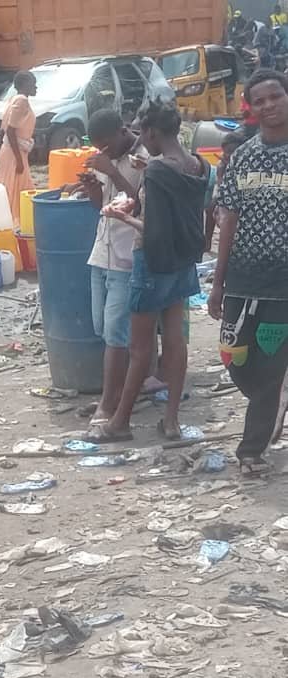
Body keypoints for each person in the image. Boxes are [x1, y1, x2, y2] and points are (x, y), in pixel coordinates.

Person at [90, 99, 210, 443]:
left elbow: (152, 228)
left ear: (153, 132)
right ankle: (171, 421)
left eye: (143, 133)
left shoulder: (156, 171)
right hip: (182, 263)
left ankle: (120, 422)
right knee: (175, 341)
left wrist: (122, 217)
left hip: (152, 262)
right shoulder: (198, 165)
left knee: (140, 349)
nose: (141, 139)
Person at [211, 70, 288, 477]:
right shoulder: (243, 156)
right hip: (242, 278)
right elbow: (228, 220)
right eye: (260, 101)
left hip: (283, 284)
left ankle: (251, 450)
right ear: (251, 109)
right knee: (234, 359)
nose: (269, 105)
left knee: (271, 365)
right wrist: (217, 282)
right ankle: (273, 400)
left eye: (276, 96)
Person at [77, 110, 150, 428]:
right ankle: (118, 392)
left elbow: (142, 203)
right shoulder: (108, 159)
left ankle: (110, 404)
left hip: (127, 255)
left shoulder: (144, 157)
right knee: (102, 328)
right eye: (98, 147)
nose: (102, 151)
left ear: (122, 132)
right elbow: (103, 205)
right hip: (101, 253)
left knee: (115, 333)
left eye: (106, 145)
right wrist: (93, 187)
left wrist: (113, 172)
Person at [0, 71, 38, 222]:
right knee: (19, 190)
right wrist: (19, 160)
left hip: (9, 152)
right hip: (15, 154)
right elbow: (10, 131)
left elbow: (2, 132)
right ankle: (19, 223)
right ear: (25, 84)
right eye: (33, 83)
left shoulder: (13, 99)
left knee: (11, 188)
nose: (36, 87)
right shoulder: (22, 101)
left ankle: (12, 222)